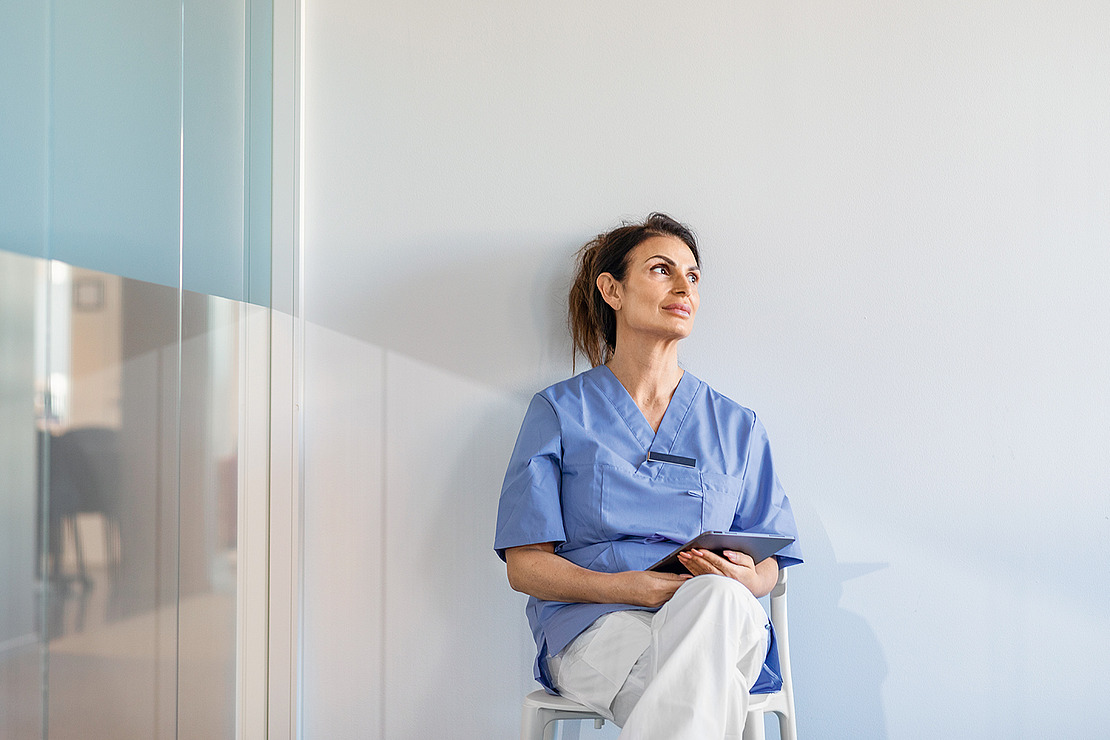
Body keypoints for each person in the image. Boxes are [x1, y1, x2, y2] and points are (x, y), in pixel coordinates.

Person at [494, 213, 802, 739]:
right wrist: (629, 589)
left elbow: (769, 561)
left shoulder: (736, 425)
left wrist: (748, 580)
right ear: (612, 290)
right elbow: (526, 567)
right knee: (703, 689)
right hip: (595, 624)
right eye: (662, 270)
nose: (684, 286)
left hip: (724, 618)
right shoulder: (561, 413)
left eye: (694, 276)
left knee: (719, 601)